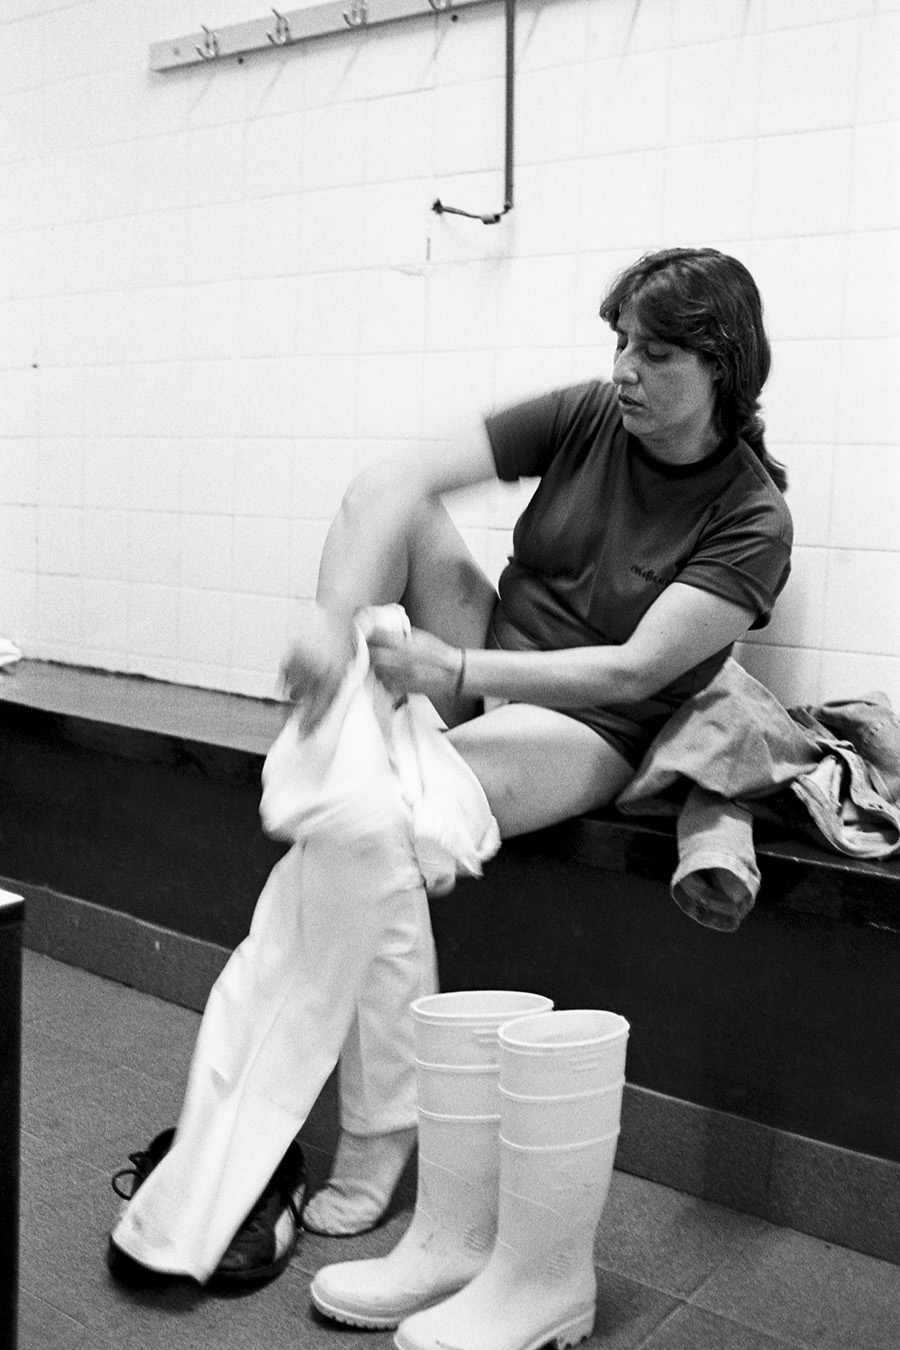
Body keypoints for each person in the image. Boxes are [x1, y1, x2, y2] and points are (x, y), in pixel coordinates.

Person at [109, 246, 792, 1284]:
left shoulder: (751, 517)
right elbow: (401, 481)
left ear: (723, 367)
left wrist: (456, 668)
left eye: (656, 354)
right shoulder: (588, 414)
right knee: (385, 508)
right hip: (488, 659)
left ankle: (372, 1132)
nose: (624, 370)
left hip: (594, 724)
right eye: (620, 343)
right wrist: (332, 620)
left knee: (361, 822)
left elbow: (635, 668)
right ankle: (351, 1123)